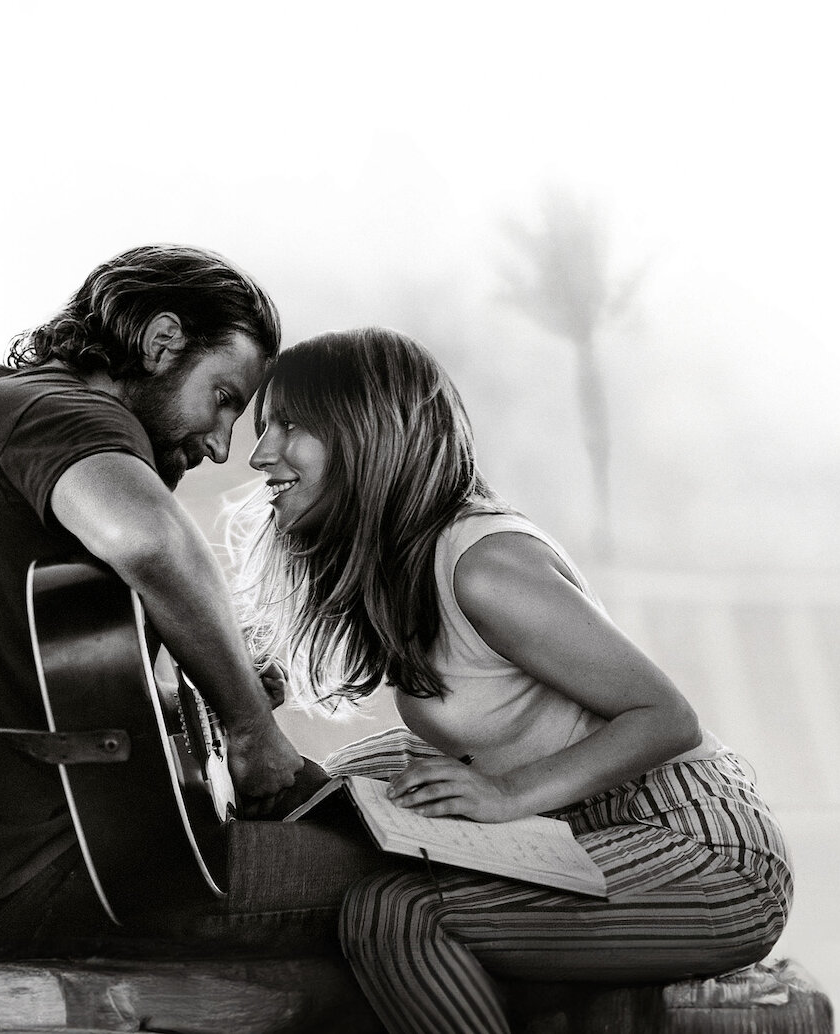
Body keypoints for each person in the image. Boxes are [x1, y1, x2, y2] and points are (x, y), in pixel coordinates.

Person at [0, 245, 389, 967]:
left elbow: (33, 673)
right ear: (161, 342)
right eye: (223, 397)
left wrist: (206, 686)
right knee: (409, 885)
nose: (221, 446)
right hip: (58, 891)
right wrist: (250, 729)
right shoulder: (64, 414)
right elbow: (151, 542)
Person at [232, 327, 794, 1034]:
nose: (260, 454)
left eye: (290, 426)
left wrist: (506, 796)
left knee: (398, 913)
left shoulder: (485, 566)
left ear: (367, 433)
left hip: (700, 849)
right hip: (577, 831)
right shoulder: (409, 562)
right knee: (349, 782)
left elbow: (666, 716)